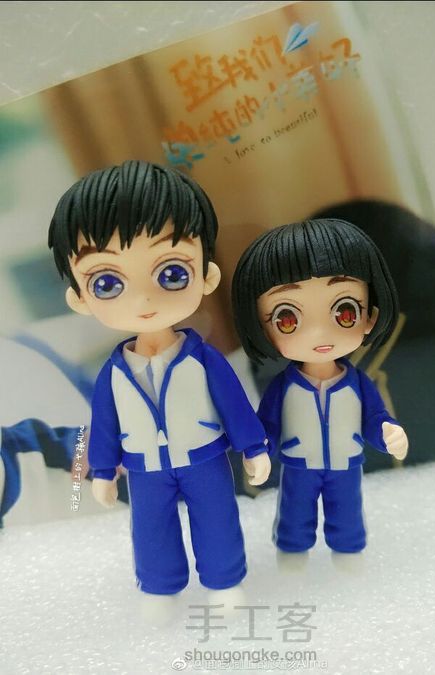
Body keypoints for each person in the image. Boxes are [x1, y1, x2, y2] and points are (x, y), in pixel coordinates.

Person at [48, 160, 271, 606]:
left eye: (172, 273)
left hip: (205, 458)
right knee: (150, 530)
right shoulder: (113, 373)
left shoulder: (204, 360)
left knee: (217, 520)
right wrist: (103, 471)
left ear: (206, 275)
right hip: (144, 468)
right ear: (79, 297)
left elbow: (235, 406)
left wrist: (253, 447)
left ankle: (225, 581)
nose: (144, 299)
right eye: (107, 282)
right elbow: (104, 425)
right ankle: (159, 588)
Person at [231, 218, 408, 556]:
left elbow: (374, 417)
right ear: (262, 328)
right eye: (287, 318)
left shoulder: (357, 383)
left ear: (369, 315)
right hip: (298, 464)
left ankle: (349, 559)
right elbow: (267, 425)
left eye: (345, 311)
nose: (319, 334)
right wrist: (259, 452)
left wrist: (388, 432)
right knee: (294, 523)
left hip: (346, 463)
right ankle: (293, 558)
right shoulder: (283, 387)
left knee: (348, 523)